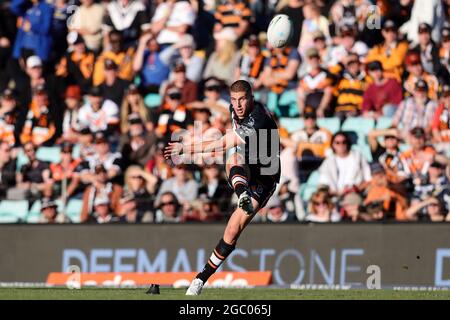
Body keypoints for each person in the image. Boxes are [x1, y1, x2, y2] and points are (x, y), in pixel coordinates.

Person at [164, 80, 280, 295]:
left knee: (233, 230)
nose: (238, 105)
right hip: (248, 162)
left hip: (266, 175)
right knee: (234, 157)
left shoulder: (259, 119)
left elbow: (221, 143)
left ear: (251, 98)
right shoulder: (234, 110)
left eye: (242, 99)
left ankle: (201, 277)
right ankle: (200, 280)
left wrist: (185, 148)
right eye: (234, 100)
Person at [318, 131, 371, 197]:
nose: (341, 145)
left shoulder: (358, 158)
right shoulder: (328, 162)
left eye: (344, 142)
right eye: (337, 143)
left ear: (348, 143)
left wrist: (354, 189)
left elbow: (369, 180)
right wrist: (333, 193)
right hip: (333, 195)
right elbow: (323, 184)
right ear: (333, 145)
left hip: (354, 193)